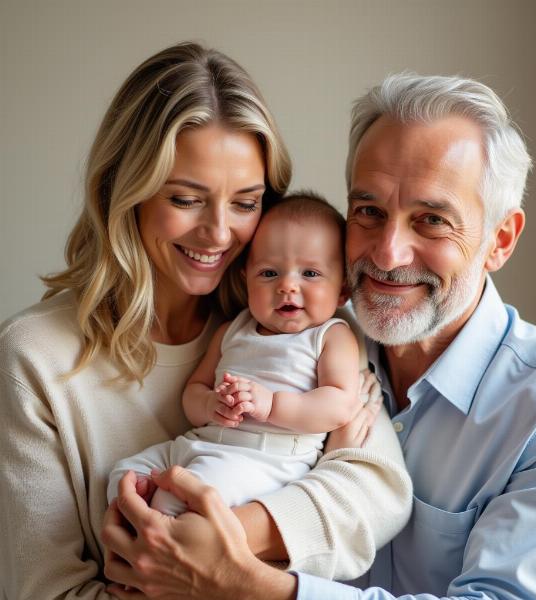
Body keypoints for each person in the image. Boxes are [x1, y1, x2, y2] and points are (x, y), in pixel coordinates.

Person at [102, 73, 536, 599]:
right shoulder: (301, 334)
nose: (387, 254)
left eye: (431, 220)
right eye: (369, 212)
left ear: (500, 240)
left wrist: (251, 584)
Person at [0, 43, 412, 600]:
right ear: (125, 193)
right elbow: (47, 590)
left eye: (245, 203)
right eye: (187, 199)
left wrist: (219, 549)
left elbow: (377, 491)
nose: (219, 234)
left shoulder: (291, 326)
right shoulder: (36, 360)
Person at [107, 193, 408, 523]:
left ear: (342, 290)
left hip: (264, 461)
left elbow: (339, 404)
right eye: (268, 274)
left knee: (173, 500)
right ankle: (140, 537)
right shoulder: (234, 330)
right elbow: (194, 389)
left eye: (310, 274)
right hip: (200, 442)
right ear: (245, 279)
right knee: (123, 477)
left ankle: (150, 559)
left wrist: (271, 405)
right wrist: (209, 405)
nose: (287, 286)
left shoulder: (331, 336)